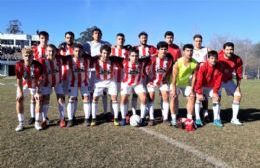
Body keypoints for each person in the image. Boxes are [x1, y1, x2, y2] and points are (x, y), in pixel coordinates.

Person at [91, 45, 122, 126]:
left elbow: (123, 60)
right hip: (99, 81)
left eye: (107, 53)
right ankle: (94, 119)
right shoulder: (95, 60)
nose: (106, 55)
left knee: (114, 98)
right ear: (100, 53)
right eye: (104, 53)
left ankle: (115, 118)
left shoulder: (113, 60)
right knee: (95, 98)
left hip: (111, 81)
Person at [170, 44, 198, 131]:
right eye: (187, 51)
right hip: (176, 83)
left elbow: (194, 77)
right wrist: (174, 90)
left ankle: (189, 119)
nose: (189, 53)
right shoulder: (178, 63)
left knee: (192, 96)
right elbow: (174, 78)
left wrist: (192, 89)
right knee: (173, 97)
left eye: (191, 51)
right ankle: (173, 119)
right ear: (183, 52)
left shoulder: (195, 63)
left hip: (185, 84)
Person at [83, 28, 111, 116]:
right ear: (92, 35)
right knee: (91, 92)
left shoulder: (106, 44)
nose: (97, 35)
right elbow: (83, 55)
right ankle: (91, 112)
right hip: (91, 71)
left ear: (101, 35)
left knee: (104, 92)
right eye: (95, 33)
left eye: (99, 33)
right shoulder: (87, 44)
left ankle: (106, 112)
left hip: (103, 71)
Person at [15, 48, 43, 131]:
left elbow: (39, 80)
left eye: (30, 56)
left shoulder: (38, 65)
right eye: (26, 56)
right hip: (24, 85)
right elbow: (19, 79)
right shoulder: (19, 65)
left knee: (38, 99)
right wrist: (20, 92)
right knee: (19, 100)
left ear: (33, 56)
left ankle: (37, 122)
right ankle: (21, 123)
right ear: (23, 56)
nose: (28, 57)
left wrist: (38, 92)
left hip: (35, 85)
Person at [120, 48, 149, 126]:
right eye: (132, 56)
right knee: (123, 99)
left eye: (136, 56)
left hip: (138, 83)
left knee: (144, 98)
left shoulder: (142, 63)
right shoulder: (124, 62)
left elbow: (151, 57)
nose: (134, 57)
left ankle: (142, 118)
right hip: (126, 83)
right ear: (129, 56)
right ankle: (123, 118)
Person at [146, 41, 173, 126]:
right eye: (161, 49)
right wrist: (149, 79)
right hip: (152, 81)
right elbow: (146, 69)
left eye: (165, 49)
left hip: (163, 81)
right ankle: (151, 117)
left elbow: (170, 71)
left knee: (165, 96)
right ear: (158, 50)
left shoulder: (169, 60)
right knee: (151, 96)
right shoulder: (152, 58)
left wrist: (167, 80)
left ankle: (165, 118)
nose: (163, 51)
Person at [194, 50, 223, 127]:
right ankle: (197, 119)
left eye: (215, 58)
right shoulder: (203, 66)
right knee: (198, 99)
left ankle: (216, 119)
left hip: (212, 87)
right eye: (212, 58)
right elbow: (199, 80)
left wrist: (215, 91)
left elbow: (218, 81)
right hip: (202, 86)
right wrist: (199, 93)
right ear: (208, 59)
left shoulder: (219, 66)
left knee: (216, 98)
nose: (214, 60)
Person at [41, 44, 66, 128]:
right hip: (46, 83)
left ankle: (62, 119)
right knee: (46, 99)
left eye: (52, 51)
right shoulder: (42, 61)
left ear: (55, 52)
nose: (50, 52)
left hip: (58, 82)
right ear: (46, 52)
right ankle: (44, 119)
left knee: (61, 99)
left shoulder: (60, 59)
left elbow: (70, 57)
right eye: (49, 51)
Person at [66, 44, 92, 127]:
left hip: (84, 82)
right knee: (71, 99)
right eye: (76, 51)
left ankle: (87, 119)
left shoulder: (87, 60)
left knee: (86, 98)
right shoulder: (69, 60)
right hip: (73, 82)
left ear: (82, 52)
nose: (78, 52)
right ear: (73, 52)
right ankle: (70, 119)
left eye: (79, 51)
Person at [218, 42, 243, 125]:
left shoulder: (237, 59)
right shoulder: (218, 56)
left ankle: (234, 118)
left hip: (229, 80)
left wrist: (238, 87)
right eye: (227, 49)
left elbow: (239, 74)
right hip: (218, 81)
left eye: (231, 49)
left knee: (238, 95)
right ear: (223, 50)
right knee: (217, 97)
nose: (229, 51)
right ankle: (217, 118)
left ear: (233, 49)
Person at [28, 31, 48, 125]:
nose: (44, 40)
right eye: (42, 38)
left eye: (46, 38)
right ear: (39, 38)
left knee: (45, 97)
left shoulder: (50, 49)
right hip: (35, 77)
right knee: (33, 97)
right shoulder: (34, 49)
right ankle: (32, 117)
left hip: (47, 76)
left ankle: (44, 116)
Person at [192, 34, 211, 121]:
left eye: (200, 41)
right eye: (196, 41)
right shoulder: (190, 50)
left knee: (205, 95)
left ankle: (205, 112)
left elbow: (213, 57)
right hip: (193, 76)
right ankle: (196, 114)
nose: (198, 42)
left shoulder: (206, 50)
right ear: (193, 41)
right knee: (195, 95)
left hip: (204, 76)